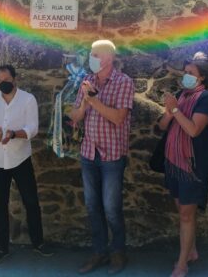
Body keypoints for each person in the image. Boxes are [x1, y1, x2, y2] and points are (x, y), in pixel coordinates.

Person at [0, 64, 52, 266]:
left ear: (15, 79)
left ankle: (38, 242)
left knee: (31, 201)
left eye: (6, 80)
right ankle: (2, 247)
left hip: (21, 159)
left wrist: (13, 134)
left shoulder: (28, 99)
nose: (3, 84)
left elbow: (32, 128)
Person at [70, 40, 134, 275]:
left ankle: (118, 252)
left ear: (108, 58)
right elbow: (75, 116)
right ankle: (99, 251)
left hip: (112, 156)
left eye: (95, 55)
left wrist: (94, 101)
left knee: (111, 208)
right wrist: (85, 104)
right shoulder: (87, 82)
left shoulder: (124, 83)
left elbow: (118, 117)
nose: (91, 58)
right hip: (89, 153)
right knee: (92, 206)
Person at [159, 52, 208, 277]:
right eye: (185, 72)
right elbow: (164, 126)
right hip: (173, 161)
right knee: (183, 211)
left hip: (192, 165)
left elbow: (194, 129)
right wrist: (169, 111)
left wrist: (175, 110)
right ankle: (191, 250)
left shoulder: (207, 99)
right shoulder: (180, 95)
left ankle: (181, 264)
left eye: (191, 73)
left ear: (202, 78)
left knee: (186, 214)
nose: (186, 76)